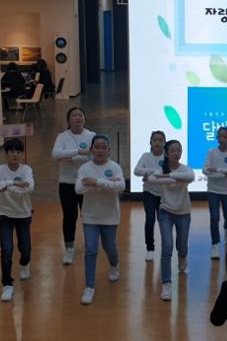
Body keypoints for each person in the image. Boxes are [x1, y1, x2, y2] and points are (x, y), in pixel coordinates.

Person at [75, 134, 125, 305]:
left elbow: (120, 186)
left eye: (104, 147)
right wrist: (107, 182)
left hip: (110, 215)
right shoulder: (84, 168)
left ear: (108, 150)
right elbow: (78, 189)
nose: (100, 150)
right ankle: (89, 287)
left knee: (109, 246)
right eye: (97, 147)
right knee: (90, 249)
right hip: (90, 216)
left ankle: (114, 265)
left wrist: (95, 182)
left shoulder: (115, 166)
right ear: (91, 149)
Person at [0, 138, 35, 302]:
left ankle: (24, 264)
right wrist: (12, 183)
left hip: (24, 214)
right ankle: (7, 284)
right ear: (6, 153)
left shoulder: (26, 169)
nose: (15, 155)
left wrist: (5, 187)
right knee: (6, 250)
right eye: (12, 151)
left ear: (22, 154)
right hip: (5, 215)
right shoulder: (0, 170)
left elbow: (30, 187)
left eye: (18, 152)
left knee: (25, 249)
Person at [147, 140, 195, 301]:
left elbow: (190, 177)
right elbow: (151, 179)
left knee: (182, 245)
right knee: (167, 246)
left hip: (183, 212)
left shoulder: (184, 169)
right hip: (165, 211)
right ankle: (166, 283)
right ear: (167, 153)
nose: (176, 153)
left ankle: (182, 256)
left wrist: (168, 176)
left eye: (179, 150)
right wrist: (176, 179)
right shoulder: (161, 168)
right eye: (173, 150)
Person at [52, 107, 95, 265]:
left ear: (84, 118)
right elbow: (56, 154)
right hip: (67, 182)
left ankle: (91, 245)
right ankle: (69, 248)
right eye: (74, 115)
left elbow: (94, 156)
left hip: (86, 182)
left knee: (88, 215)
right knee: (70, 216)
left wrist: (71, 157)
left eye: (80, 115)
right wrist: (79, 151)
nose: (78, 118)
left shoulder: (91, 136)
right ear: (69, 120)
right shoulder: (62, 136)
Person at [202, 127, 227, 259]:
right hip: (213, 190)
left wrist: (217, 170)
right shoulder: (211, 152)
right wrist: (225, 173)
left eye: (225, 137)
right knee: (214, 217)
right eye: (219, 136)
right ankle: (215, 244)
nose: (222, 139)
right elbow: (205, 170)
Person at [133, 130, 166, 262]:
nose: (157, 143)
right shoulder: (146, 156)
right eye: (155, 140)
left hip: (164, 194)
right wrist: (153, 172)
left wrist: (150, 175)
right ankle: (150, 248)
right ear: (150, 142)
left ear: (164, 143)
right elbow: (136, 171)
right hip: (149, 193)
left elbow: (168, 172)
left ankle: (166, 246)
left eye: (160, 140)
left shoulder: (167, 157)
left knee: (163, 221)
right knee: (150, 219)